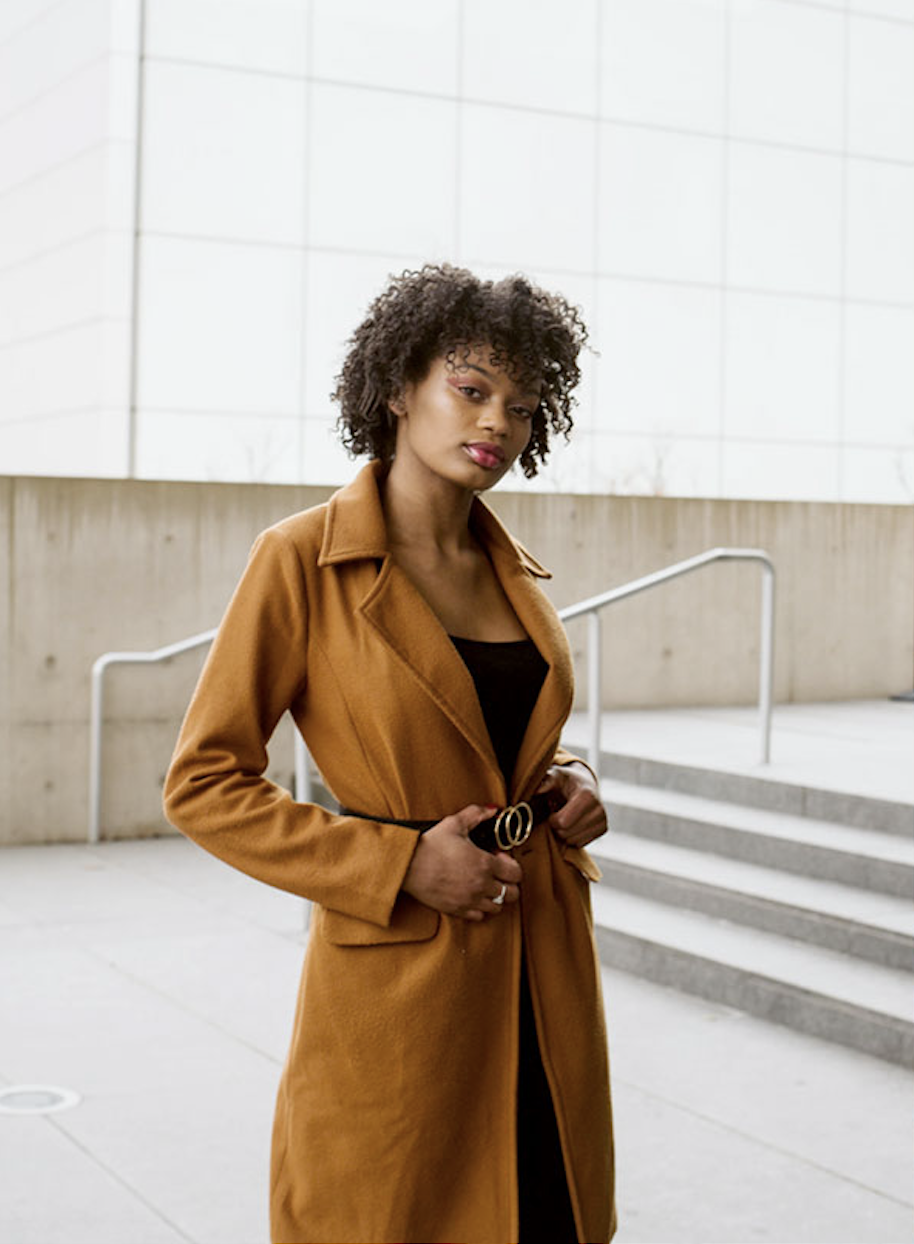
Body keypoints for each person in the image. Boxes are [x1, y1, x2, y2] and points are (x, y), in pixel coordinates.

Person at [163, 263, 616, 1244]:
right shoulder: (302, 558)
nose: (496, 420)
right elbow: (201, 783)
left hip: (543, 973)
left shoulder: (513, 575)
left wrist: (565, 786)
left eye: (524, 406)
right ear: (400, 384)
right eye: (470, 388)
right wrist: (402, 860)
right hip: (407, 988)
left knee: (545, 1210)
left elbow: (501, 745)